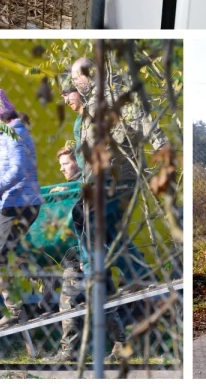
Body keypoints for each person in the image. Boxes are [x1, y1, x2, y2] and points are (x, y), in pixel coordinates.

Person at [67, 58, 163, 286]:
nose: (74, 83)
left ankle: (101, 281)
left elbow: (142, 120)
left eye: (76, 77)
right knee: (88, 220)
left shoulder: (112, 94)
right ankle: (137, 275)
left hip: (117, 175)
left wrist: (162, 148)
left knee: (93, 223)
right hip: (98, 178)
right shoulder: (91, 103)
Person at [50, 146, 124, 363]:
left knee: (100, 297)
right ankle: (71, 349)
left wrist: (86, 256)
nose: (62, 169)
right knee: (72, 299)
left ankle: (118, 346)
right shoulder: (70, 189)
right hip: (76, 256)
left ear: (78, 163)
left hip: (91, 254)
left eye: (66, 164)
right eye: (61, 165)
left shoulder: (87, 187)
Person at [0, 89, 44, 330]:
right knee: (7, 253)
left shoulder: (13, 134)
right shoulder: (14, 132)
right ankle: (40, 282)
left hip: (18, 202)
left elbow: (17, 169)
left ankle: (15, 310)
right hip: (22, 201)